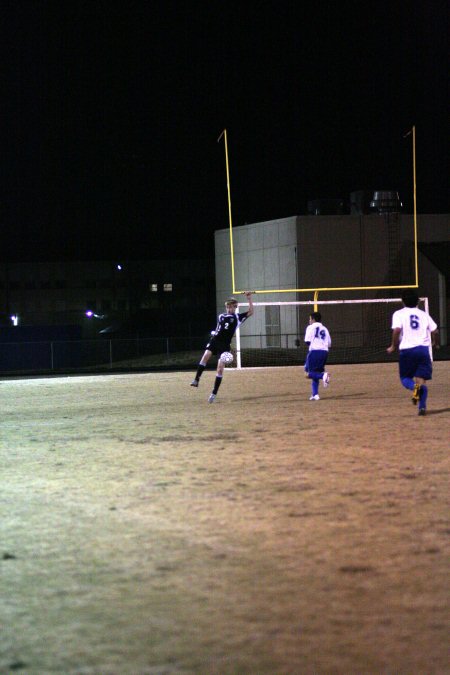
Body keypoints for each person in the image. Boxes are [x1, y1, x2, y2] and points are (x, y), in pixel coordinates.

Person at [190, 292, 254, 403]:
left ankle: (213, 393)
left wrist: (249, 299)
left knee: (220, 369)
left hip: (224, 345)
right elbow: (219, 327)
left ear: (235, 307)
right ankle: (196, 379)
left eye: (231, 307)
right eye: (228, 307)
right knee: (205, 356)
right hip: (215, 341)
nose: (229, 308)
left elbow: (251, 312)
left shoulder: (238, 317)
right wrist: (214, 333)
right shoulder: (221, 316)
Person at [387, 289, 439, 416]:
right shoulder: (423, 314)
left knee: (405, 378)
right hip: (423, 350)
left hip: (407, 350)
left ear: (403, 301)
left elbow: (397, 330)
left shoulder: (399, 314)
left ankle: (416, 391)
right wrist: (435, 343)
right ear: (417, 301)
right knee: (421, 379)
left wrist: (394, 346)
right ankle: (421, 406)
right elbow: (435, 330)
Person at [304, 311, 331, 400]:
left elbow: (307, 341)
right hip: (324, 352)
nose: (309, 321)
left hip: (315, 352)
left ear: (313, 319)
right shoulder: (325, 329)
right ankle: (315, 394)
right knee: (315, 373)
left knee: (308, 373)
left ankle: (323, 376)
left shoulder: (310, 327)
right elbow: (329, 343)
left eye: (310, 319)